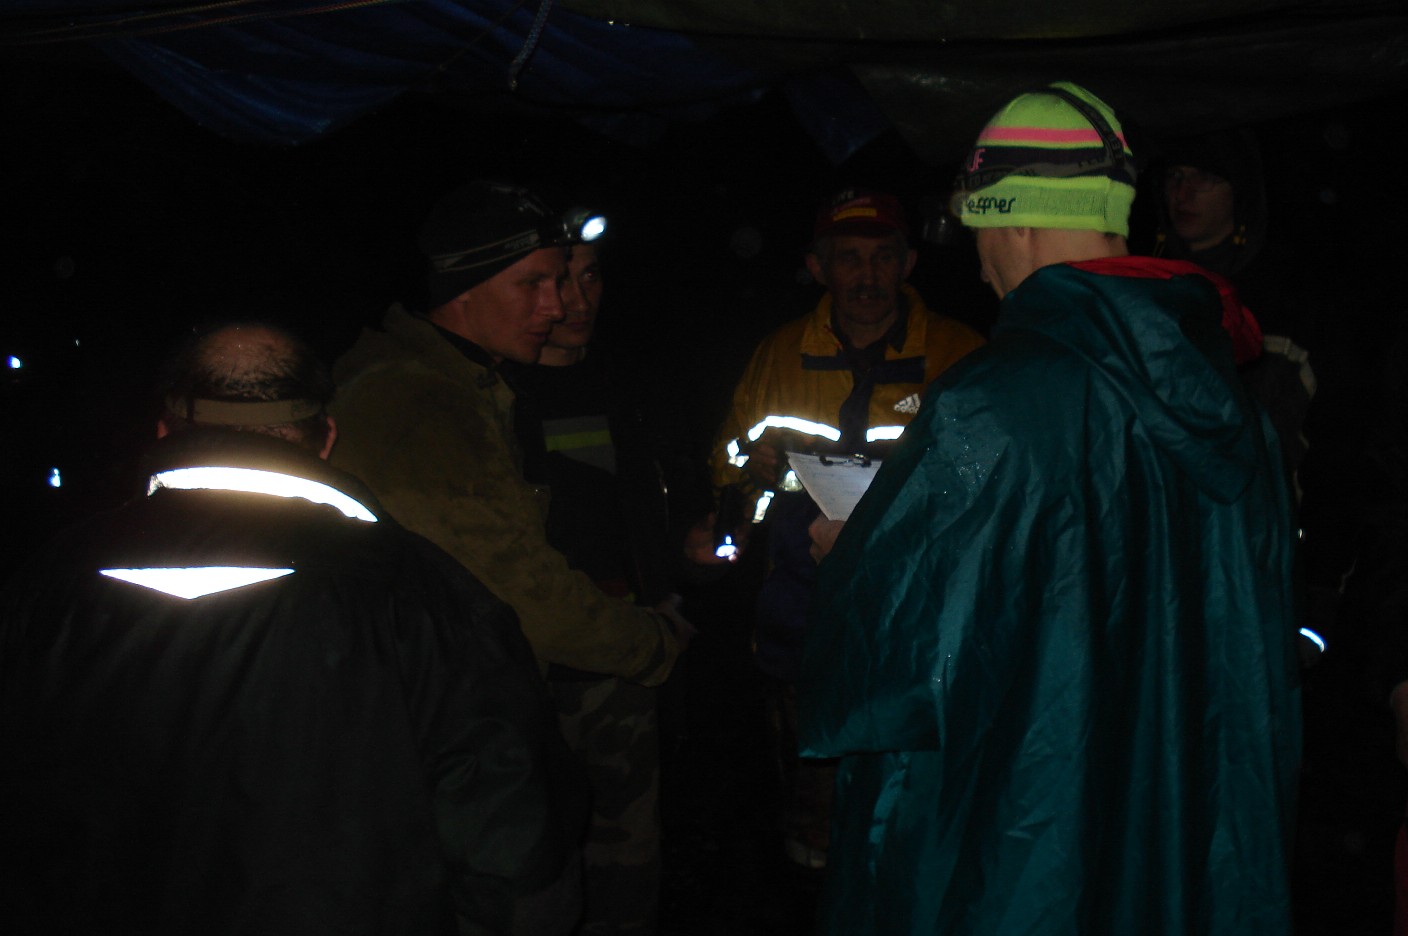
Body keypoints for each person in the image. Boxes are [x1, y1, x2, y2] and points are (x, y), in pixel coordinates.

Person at [798, 83, 1300, 934]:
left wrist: (852, 557)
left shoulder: (992, 403)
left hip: (1027, 835)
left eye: (978, 231)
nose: (980, 264)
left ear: (1017, 222)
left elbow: (904, 663)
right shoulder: (1232, 405)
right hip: (1173, 827)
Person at [0, 323, 577, 935]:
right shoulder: (421, 591)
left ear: (164, 431)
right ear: (325, 437)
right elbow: (512, 843)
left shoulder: (42, 585)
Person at [709, 188, 984, 868]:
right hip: (800, 607)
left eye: (883, 257)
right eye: (849, 258)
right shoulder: (778, 354)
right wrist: (753, 467)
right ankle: (813, 869)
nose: (867, 276)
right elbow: (727, 463)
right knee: (811, 770)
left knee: (917, 770)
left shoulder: (960, 352)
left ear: (909, 263)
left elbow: (995, 481)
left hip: (920, 610)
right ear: (818, 266)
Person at [330, 181, 690, 688]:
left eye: (558, 282)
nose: (557, 307)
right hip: (445, 701)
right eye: (531, 284)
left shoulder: (464, 382)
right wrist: (653, 644)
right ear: (463, 287)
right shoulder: (417, 403)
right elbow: (518, 591)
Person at [503, 236, 675, 935]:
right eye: (554, 281)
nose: (574, 301)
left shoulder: (624, 384)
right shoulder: (494, 399)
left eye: (590, 277)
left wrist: (678, 580)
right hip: (527, 672)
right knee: (529, 856)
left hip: (621, 665)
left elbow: (646, 511)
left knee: (625, 854)